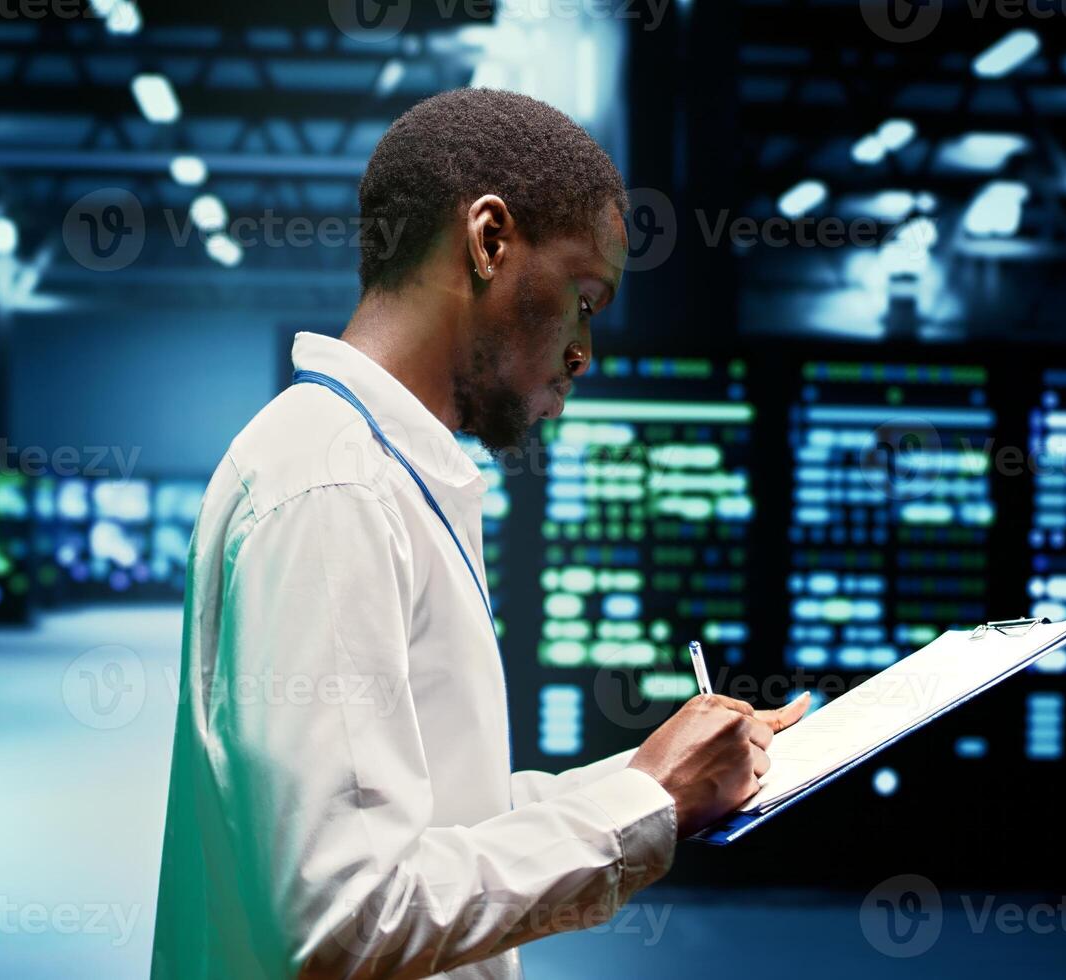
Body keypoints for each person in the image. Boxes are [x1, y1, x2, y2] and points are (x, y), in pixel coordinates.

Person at [151, 88, 808, 979]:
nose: (586, 352)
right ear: (490, 240)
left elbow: (437, 824)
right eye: (584, 297)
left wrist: (659, 781)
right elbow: (345, 919)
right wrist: (646, 802)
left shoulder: (371, 468)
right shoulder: (338, 487)